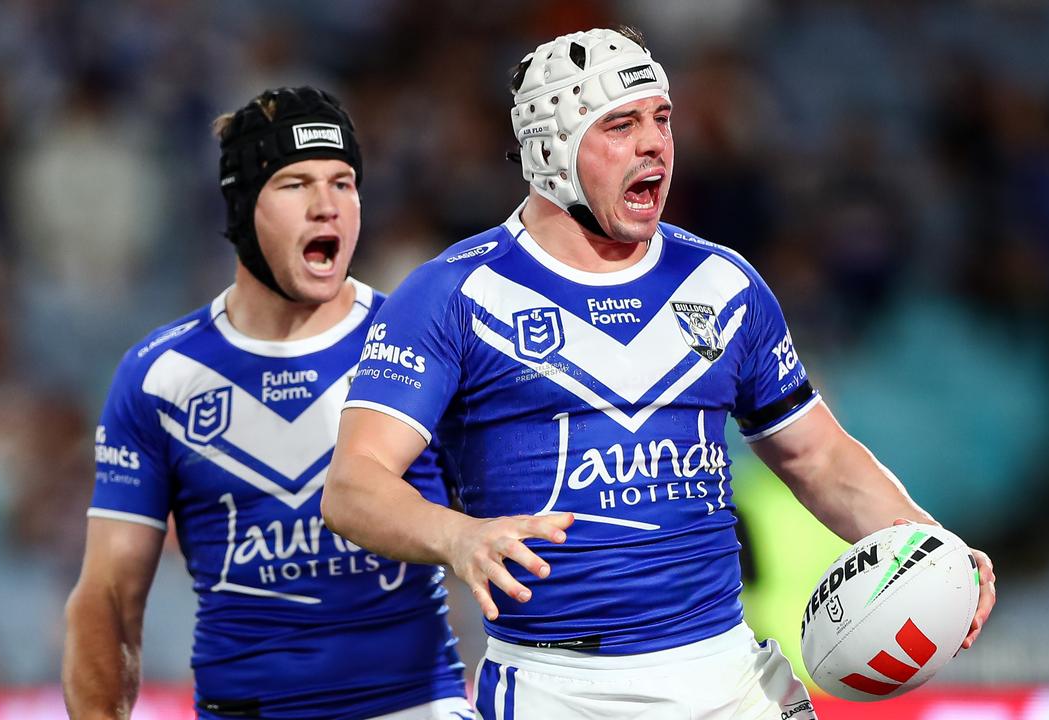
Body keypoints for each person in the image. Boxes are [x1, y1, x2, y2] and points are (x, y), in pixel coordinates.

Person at [323, 28, 996, 719]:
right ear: (551, 150)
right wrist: (456, 537)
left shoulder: (723, 281)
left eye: (662, 119)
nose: (655, 144)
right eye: (621, 124)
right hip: (557, 689)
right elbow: (352, 488)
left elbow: (819, 458)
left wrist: (932, 546)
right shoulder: (452, 295)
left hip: (732, 678)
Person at [62, 87, 472, 720]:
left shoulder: (420, 341)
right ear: (242, 206)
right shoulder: (160, 377)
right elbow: (109, 598)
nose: (326, 207)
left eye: (343, 183)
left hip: (414, 705)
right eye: (295, 184)